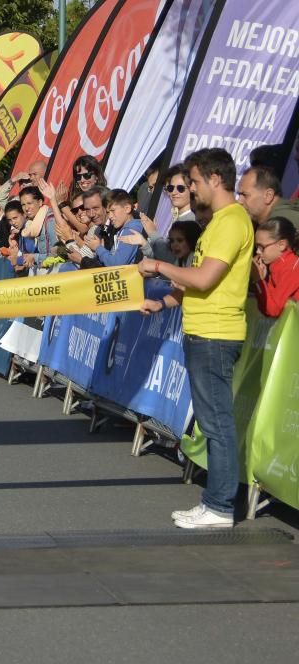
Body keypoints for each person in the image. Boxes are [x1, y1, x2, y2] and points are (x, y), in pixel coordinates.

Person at [139, 147, 254, 529]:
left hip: (215, 334)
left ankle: (220, 506)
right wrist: (166, 302)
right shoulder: (221, 221)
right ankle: (216, 502)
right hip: (204, 330)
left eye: (194, 182)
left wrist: (158, 265)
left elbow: (204, 279)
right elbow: (198, 284)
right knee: (212, 421)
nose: (190, 188)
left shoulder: (231, 221)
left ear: (215, 179)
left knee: (216, 422)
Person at [251, 217, 299, 318]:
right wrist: (262, 281)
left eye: (262, 247)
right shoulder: (277, 266)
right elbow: (266, 310)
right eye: (256, 247)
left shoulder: (291, 267)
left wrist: (258, 280)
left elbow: (273, 310)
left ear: (281, 245)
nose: (258, 252)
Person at [84, 189, 144, 267]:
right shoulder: (122, 229)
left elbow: (116, 264)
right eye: (108, 212)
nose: (110, 216)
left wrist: (98, 248)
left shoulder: (130, 230)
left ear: (127, 209)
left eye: (113, 210)